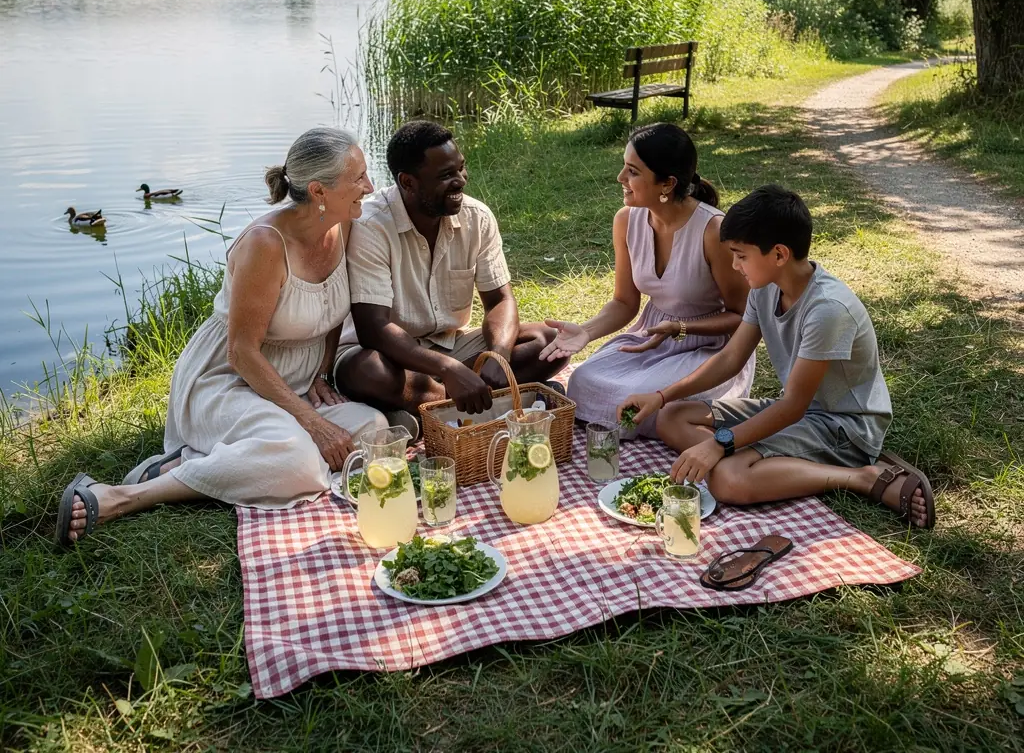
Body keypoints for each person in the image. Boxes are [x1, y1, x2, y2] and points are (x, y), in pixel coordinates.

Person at [55, 127, 388, 546]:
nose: (369, 187)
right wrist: (313, 425)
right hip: (229, 380)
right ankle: (127, 494)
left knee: (374, 429)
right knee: (299, 463)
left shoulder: (346, 226)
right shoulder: (265, 245)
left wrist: (321, 374)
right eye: (358, 178)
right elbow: (242, 353)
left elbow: (330, 309)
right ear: (319, 191)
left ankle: (221, 457)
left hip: (297, 385)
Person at [617, 185, 935, 528]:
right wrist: (661, 395)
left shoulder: (827, 309)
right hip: (800, 414)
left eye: (741, 255)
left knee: (727, 480)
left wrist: (720, 445)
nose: (735, 266)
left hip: (844, 425)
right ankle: (761, 461)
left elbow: (793, 406)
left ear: (780, 254)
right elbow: (730, 359)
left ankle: (862, 476)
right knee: (671, 417)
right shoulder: (766, 287)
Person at [334, 120, 568, 420]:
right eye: (446, 175)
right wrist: (449, 370)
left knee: (549, 342)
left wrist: (499, 354)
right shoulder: (371, 226)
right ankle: (491, 402)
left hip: (453, 345)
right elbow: (374, 329)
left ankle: (427, 409)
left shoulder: (477, 217)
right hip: (391, 357)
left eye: (461, 168)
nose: (461, 180)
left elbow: (500, 300)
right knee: (368, 372)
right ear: (408, 182)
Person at [540, 123, 754, 436]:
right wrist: (586, 332)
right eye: (624, 168)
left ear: (667, 183)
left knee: (637, 400)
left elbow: (743, 316)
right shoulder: (626, 220)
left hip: (711, 348)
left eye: (633, 171)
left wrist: (681, 328)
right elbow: (625, 302)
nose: (620, 179)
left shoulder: (712, 231)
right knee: (582, 381)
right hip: (651, 339)